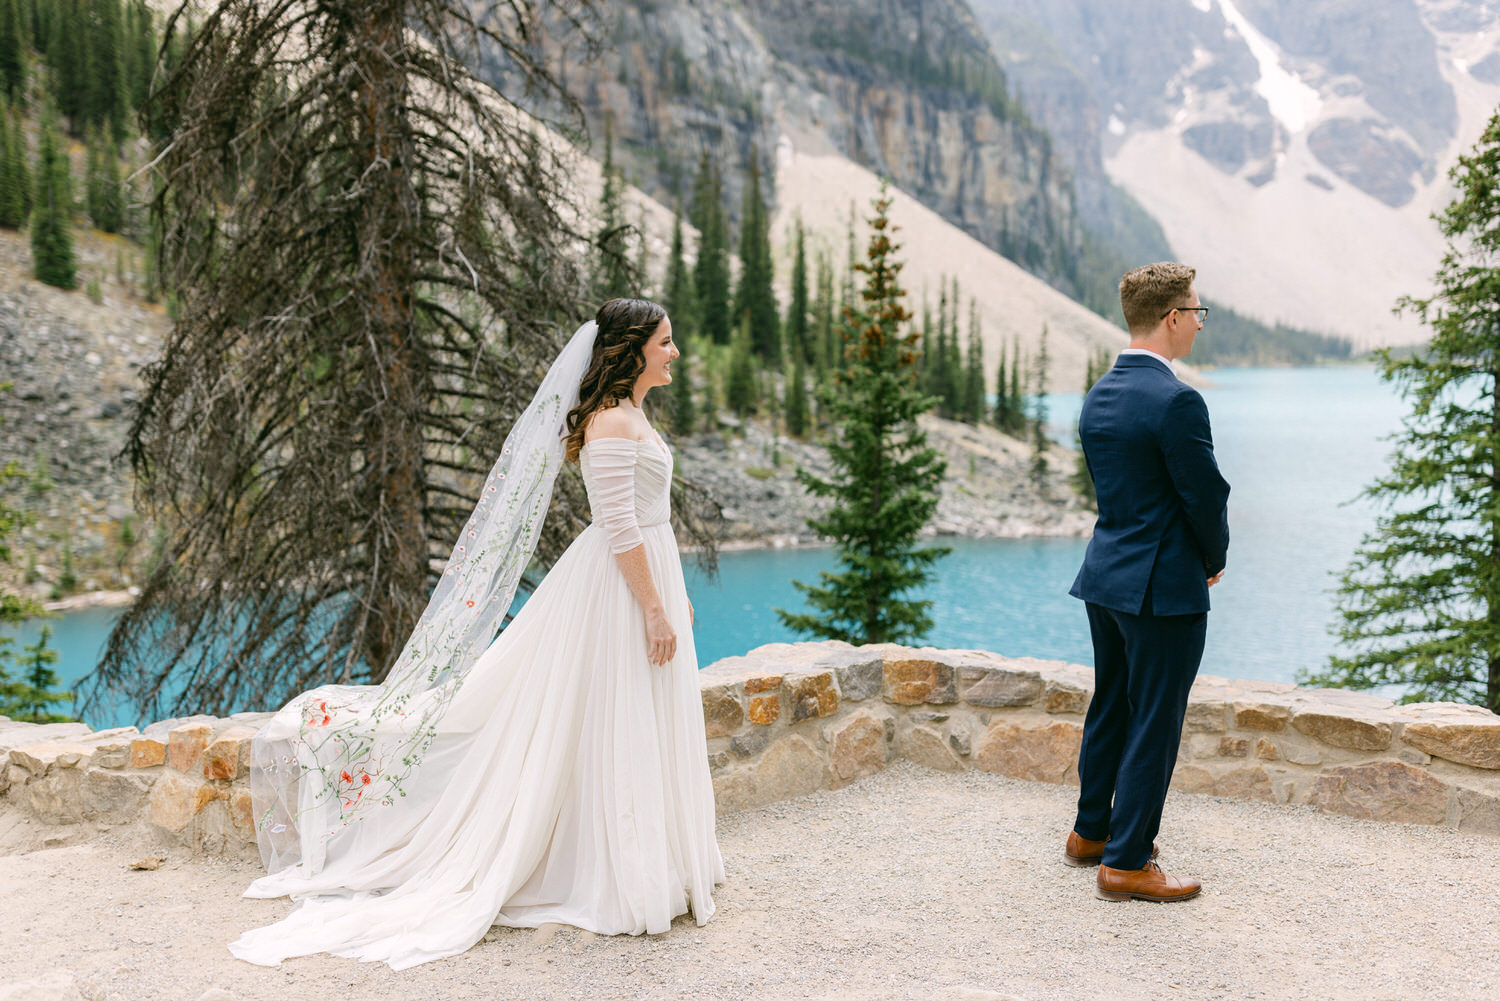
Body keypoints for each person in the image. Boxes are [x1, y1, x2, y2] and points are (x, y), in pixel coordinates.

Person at [229, 298, 724, 969]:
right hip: (616, 594)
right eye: (666, 341)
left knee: (640, 719)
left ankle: (656, 858)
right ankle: (619, 871)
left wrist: (675, 596)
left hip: (642, 583)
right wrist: (654, 608)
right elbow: (619, 527)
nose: (675, 352)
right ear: (631, 349)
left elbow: (648, 521)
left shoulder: (633, 414)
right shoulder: (610, 423)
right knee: (615, 718)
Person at [1064, 262, 1230, 902]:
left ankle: (1092, 832)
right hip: (1162, 586)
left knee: (1112, 702)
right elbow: (1204, 495)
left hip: (1106, 577)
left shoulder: (1100, 392)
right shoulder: (1177, 399)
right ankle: (1128, 862)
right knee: (1156, 719)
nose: (1197, 323)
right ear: (1172, 318)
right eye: (1196, 312)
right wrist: (1212, 558)